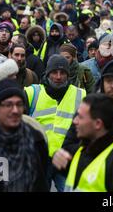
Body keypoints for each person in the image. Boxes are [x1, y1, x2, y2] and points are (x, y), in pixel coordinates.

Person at [52, 93, 113, 192]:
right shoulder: (82, 150)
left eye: (80, 117)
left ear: (98, 124)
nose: (75, 121)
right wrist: (58, 159)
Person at [25, 55, 86, 191]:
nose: (58, 77)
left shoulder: (81, 95)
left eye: (63, 73)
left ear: (68, 75)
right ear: (47, 74)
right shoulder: (32, 93)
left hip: (67, 160)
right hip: (39, 161)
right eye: (54, 72)